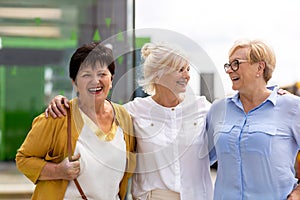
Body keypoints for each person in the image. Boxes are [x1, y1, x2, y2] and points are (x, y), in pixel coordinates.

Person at [45, 42, 214, 200]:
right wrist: (63, 102)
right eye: (180, 69)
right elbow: (95, 111)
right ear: (159, 74)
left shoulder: (203, 107)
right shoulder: (133, 110)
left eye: (187, 69)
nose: (187, 76)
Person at [15, 42, 135, 200]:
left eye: (102, 74)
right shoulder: (58, 116)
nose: (95, 81)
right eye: (86, 75)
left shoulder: (124, 117)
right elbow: (23, 159)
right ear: (75, 83)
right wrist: (58, 170)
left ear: (111, 79)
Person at [206, 39, 300, 199]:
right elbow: (197, 159)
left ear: (259, 67)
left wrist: (298, 193)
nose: (229, 70)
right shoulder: (218, 109)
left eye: (236, 63)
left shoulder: (292, 107)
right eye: (228, 65)